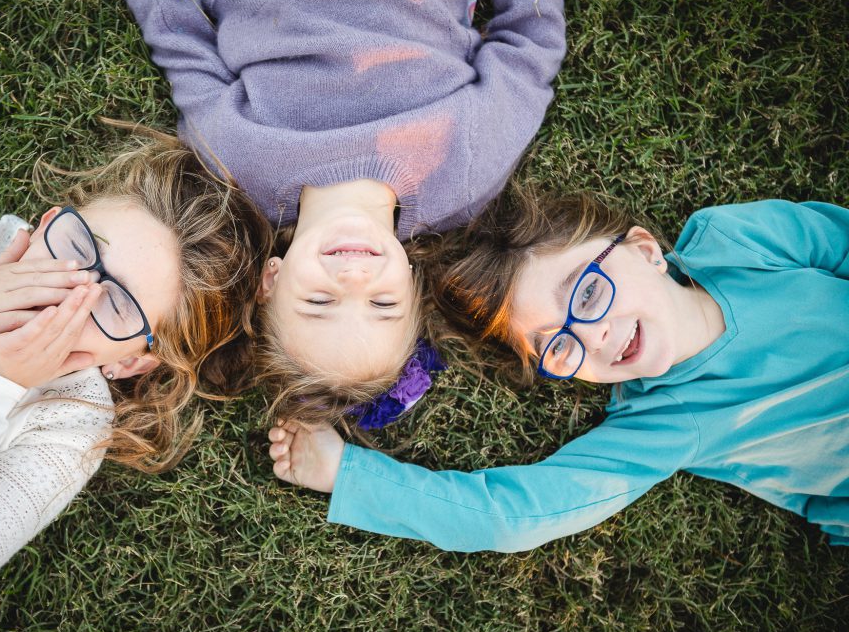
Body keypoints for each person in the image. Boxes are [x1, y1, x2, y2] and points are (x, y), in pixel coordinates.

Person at [0, 127, 269, 625]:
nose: (65, 291)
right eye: (77, 244)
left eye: (118, 304)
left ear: (130, 362)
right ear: (47, 222)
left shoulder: (68, 427)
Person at [267, 191, 849, 552]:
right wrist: (347, 472)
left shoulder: (738, 240)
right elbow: (516, 515)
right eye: (559, 347)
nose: (591, 336)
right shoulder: (666, 423)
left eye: (589, 292)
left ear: (644, 249)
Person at [113, 0, 567, 425]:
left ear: (270, 280)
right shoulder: (465, 173)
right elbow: (530, 47)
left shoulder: (233, 165)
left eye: (320, 302)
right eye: (383, 305)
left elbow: (180, 41)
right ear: (411, 286)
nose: (353, 279)